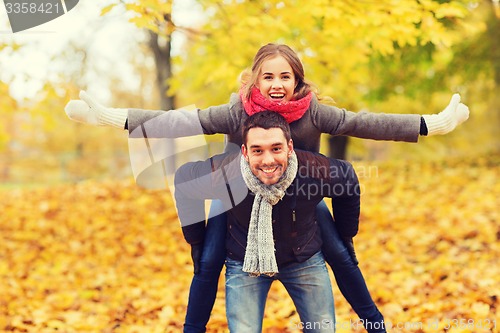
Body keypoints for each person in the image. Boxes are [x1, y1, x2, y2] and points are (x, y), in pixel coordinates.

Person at [64, 43, 469, 333]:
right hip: (237, 196)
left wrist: (429, 124)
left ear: (297, 81)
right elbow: (180, 121)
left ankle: (375, 326)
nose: (277, 84)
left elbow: (365, 122)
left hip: (299, 197)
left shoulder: (313, 112)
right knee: (207, 265)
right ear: (256, 79)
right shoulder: (236, 110)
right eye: (268, 76)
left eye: (285, 76)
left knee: (344, 259)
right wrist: (110, 117)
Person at [175, 111, 364, 332]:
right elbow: (184, 181)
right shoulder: (226, 173)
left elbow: (348, 179)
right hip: (245, 261)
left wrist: (346, 232)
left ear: (290, 147)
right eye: (257, 150)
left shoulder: (313, 170)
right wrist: (196, 240)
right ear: (244, 152)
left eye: (276, 148)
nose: (268, 160)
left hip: (304, 259)